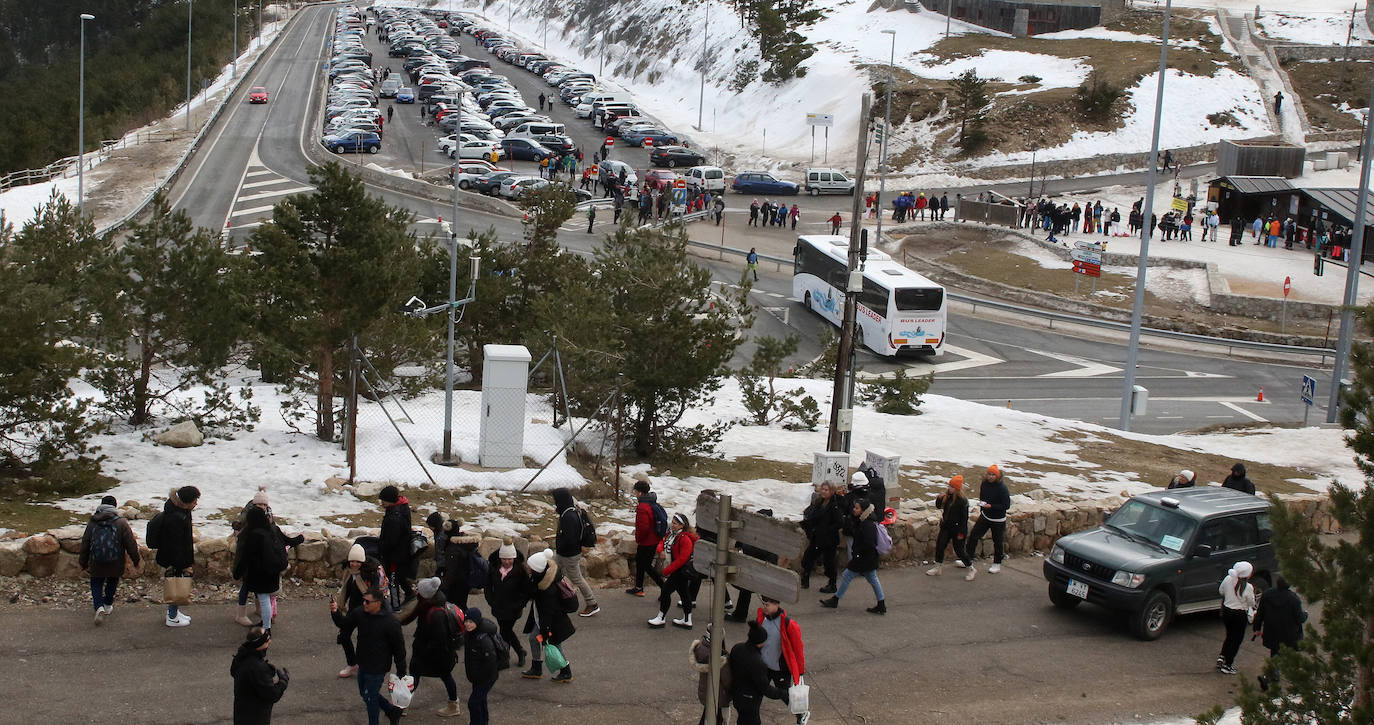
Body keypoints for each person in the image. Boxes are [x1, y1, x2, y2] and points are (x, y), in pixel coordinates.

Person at [332, 588, 408, 725]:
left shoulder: (390, 622)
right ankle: (391, 711)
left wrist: (401, 670)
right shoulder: (360, 613)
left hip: (378, 666)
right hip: (363, 662)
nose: (364, 604)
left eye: (367, 601)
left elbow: (399, 648)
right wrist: (335, 611)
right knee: (365, 693)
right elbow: (344, 624)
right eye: (364, 601)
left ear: (378, 603)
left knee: (370, 697)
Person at [399, 577, 463, 718]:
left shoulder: (436, 614)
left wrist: (423, 653)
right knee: (442, 675)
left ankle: (403, 705)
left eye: (419, 591)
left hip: (433, 652)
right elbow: (411, 616)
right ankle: (453, 704)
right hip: (435, 650)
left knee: (418, 675)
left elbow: (438, 640)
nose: (416, 592)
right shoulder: (430, 603)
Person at [79, 495, 140, 626]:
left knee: (96, 582)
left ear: (101, 505)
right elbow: (130, 543)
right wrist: (136, 560)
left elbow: (85, 542)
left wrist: (82, 562)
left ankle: (98, 607)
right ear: (115, 506)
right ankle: (107, 604)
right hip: (116, 560)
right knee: (112, 581)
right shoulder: (121, 522)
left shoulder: (93, 521)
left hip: (97, 560)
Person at [818, 499, 885, 614]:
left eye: (857, 508)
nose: (854, 509)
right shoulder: (866, 521)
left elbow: (868, 543)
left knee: (847, 576)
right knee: (872, 579)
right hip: (867, 558)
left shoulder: (867, 524)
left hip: (863, 559)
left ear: (863, 510)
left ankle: (835, 600)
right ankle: (881, 604)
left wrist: (858, 554)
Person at [335, 545, 391, 678]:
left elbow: (375, 594)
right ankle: (352, 663)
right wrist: (339, 605)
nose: (354, 564)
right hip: (354, 610)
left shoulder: (370, 574)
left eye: (357, 562)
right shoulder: (349, 573)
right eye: (352, 561)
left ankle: (363, 666)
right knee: (344, 636)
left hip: (367, 611)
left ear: (362, 562)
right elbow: (346, 591)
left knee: (364, 641)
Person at [521, 548, 576, 683]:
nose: (527, 568)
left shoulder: (548, 590)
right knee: (534, 638)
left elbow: (548, 611)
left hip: (552, 623)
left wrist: (545, 630)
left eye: (530, 566)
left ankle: (566, 672)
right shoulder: (540, 577)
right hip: (544, 619)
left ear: (536, 570)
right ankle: (536, 668)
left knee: (555, 645)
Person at [232, 505, 288, 634]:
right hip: (273, 571)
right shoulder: (272, 529)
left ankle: (266, 628)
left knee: (264, 599)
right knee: (266, 599)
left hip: (260, 573)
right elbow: (286, 542)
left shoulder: (253, 535)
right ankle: (265, 623)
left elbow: (245, 557)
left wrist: (237, 573)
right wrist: (301, 538)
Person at [756, 595, 807, 724]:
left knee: (786, 695)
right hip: (763, 666)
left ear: (776, 604)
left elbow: (798, 649)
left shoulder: (788, 624)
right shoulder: (762, 618)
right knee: (757, 692)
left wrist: (800, 671)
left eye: (767, 605)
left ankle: (801, 713)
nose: (764, 607)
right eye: (764, 604)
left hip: (780, 669)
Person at [154, 485, 199, 627]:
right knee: (176, 586)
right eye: (194, 501)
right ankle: (172, 617)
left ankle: (174, 612)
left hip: (173, 558)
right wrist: (184, 564)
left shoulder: (179, 511)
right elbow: (177, 545)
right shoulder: (177, 518)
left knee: (176, 585)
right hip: (174, 560)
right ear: (186, 502)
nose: (196, 503)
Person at [1252, 575, 1306, 691]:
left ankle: (1274, 674)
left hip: (1271, 631)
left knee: (1275, 652)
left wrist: (1257, 628)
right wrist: (1305, 614)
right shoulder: (1293, 599)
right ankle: (1270, 676)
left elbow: (1260, 613)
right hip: (1289, 633)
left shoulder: (1267, 595)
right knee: (1285, 655)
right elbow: (1300, 618)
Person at [729, 622, 789, 725]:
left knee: (742, 720)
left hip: (737, 695)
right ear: (761, 643)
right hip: (750, 700)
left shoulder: (737, 648)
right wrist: (782, 693)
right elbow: (765, 688)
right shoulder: (757, 663)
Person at [552, 487, 599, 617]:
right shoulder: (570, 511)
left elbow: (570, 538)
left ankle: (592, 603)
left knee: (577, 579)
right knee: (551, 573)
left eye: (556, 500)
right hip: (564, 553)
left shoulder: (568, 516)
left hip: (569, 554)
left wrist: (561, 545)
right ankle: (552, 599)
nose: (555, 502)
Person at [649, 512, 701, 629]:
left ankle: (661, 617)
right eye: (672, 522)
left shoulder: (684, 539)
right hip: (676, 570)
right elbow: (662, 542)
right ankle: (687, 620)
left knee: (666, 592)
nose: (672, 525)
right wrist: (660, 550)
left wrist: (667, 570)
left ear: (682, 525)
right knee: (684, 594)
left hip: (679, 571)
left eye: (675, 523)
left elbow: (683, 558)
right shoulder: (671, 534)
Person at [485, 540, 530, 668]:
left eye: (509, 559)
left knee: (505, 631)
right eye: (504, 559)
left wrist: (519, 605)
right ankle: (520, 651)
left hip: (513, 609)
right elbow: (488, 585)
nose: (506, 562)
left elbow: (526, 591)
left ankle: (504, 658)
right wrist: (491, 601)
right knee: (506, 631)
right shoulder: (494, 567)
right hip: (498, 606)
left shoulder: (520, 571)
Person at [231, 626, 289, 725]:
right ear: (260, 644)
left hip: (241, 714)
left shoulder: (240, 657)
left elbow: (234, 672)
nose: (269, 642)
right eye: (267, 640)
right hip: (256, 718)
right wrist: (283, 681)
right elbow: (272, 695)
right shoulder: (258, 668)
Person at [965, 464, 1010, 577]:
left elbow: (1006, 505)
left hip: (998, 519)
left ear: (997, 476)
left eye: (993, 475)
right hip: (985, 516)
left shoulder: (1002, 488)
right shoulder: (984, 484)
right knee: (974, 535)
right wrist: (983, 506)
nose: (990, 477)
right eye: (989, 474)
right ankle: (967, 559)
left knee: (998, 541)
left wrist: (992, 506)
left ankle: (997, 563)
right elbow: (983, 496)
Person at [926, 475, 974, 579]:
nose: (949, 488)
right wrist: (938, 499)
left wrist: (961, 533)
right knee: (940, 546)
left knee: (959, 550)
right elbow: (939, 506)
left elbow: (964, 519)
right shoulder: (947, 497)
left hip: (957, 529)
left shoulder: (962, 501)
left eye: (952, 487)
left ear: (957, 489)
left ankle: (971, 568)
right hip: (946, 527)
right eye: (949, 486)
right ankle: (938, 567)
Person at [799, 482, 842, 594]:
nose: (823, 491)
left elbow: (839, 522)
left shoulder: (834, 505)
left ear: (831, 492)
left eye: (826, 490)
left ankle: (832, 584)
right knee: (808, 558)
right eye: (822, 489)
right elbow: (814, 518)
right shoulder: (819, 502)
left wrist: (827, 529)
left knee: (829, 563)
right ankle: (805, 579)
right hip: (817, 537)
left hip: (829, 540)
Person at [462, 607, 502, 725]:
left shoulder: (483, 640)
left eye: (471, 622)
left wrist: (481, 677)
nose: (468, 624)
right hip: (478, 676)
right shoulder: (470, 634)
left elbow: (491, 662)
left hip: (485, 678)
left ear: (477, 622)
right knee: (481, 701)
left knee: (473, 703)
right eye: (466, 621)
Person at [627, 477, 666, 597]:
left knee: (646, 565)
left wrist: (638, 538)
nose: (634, 494)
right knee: (641, 563)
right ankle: (639, 587)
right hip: (653, 539)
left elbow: (643, 527)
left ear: (639, 492)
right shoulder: (652, 502)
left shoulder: (643, 507)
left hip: (646, 541)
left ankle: (664, 588)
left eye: (635, 492)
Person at [1217, 561, 1257, 675]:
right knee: (1236, 640)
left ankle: (1222, 656)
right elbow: (1251, 602)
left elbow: (1221, 591)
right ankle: (1227, 664)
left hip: (1226, 611)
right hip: (1239, 615)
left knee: (1229, 635)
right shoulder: (1248, 587)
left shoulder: (1228, 579)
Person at [378, 485, 416, 608]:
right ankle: (409, 593)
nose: (381, 502)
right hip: (401, 551)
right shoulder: (402, 508)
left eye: (383, 500)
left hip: (395, 554)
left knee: (393, 580)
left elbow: (391, 540)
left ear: (389, 500)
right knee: (398, 576)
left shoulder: (394, 518)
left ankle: (395, 606)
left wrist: (381, 548)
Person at [690, 624, 728, 725]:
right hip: (718, 694)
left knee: (707, 714)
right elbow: (727, 679)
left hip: (705, 691)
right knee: (717, 717)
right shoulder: (719, 657)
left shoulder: (701, 648)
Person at [440, 524, 481, 611]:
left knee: (454, 607)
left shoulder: (453, 549)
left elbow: (451, 570)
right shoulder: (465, 545)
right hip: (466, 580)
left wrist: (444, 586)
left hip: (456, 583)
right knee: (462, 604)